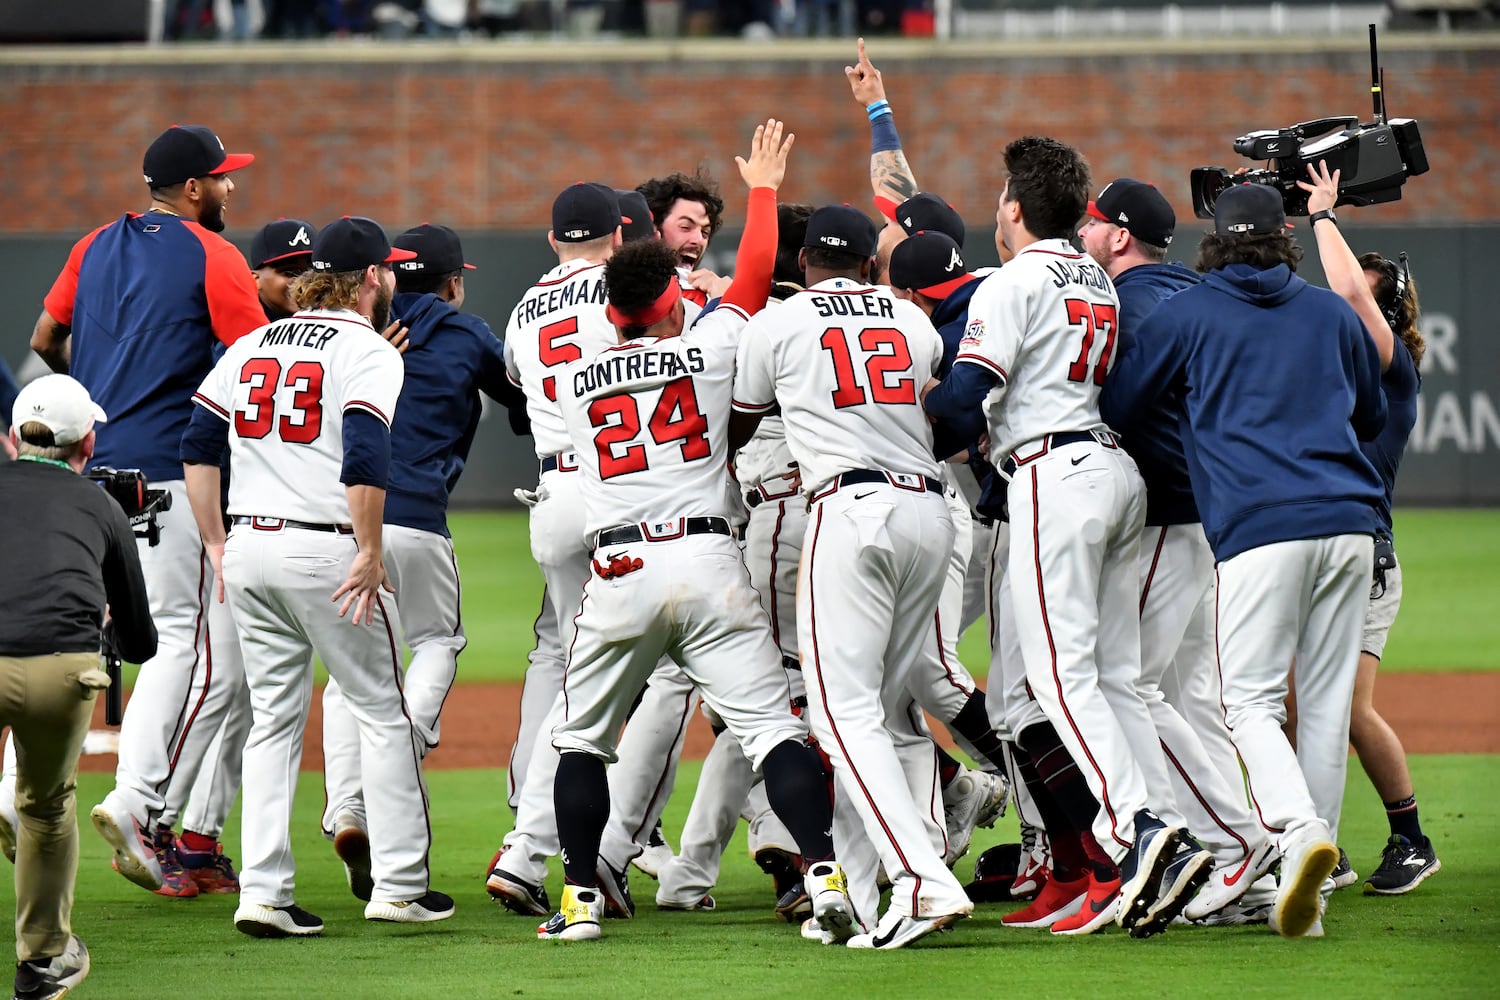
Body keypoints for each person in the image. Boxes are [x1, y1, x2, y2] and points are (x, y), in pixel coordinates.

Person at [546, 119, 856, 946]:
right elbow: (752, 274)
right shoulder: (714, 343)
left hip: (620, 568)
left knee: (580, 739)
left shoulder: (577, 373)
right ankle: (824, 876)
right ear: (675, 298)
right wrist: (761, 189)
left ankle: (578, 901)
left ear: (613, 312)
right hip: (711, 556)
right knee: (772, 730)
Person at [924, 136, 1214, 940]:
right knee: (1113, 676)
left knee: (1059, 678)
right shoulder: (1095, 275)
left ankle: (1142, 833)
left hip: (1057, 469)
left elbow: (963, 398)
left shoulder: (1013, 280)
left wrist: (907, 398)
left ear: (1014, 210)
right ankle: (1162, 833)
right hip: (1113, 470)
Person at [1102, 181, 1386, 938]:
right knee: (1323, 708)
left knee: (1249, 702)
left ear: (1217, 238)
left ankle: (1297, 834)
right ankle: (1310, 892)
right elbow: (1374, 410)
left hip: (1261, 525)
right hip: (1352, 521)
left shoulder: (1188, 311)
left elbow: (1122, 405)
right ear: (1287, 233)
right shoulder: (1328, 311)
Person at [181, 216, 454, 937]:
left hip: (249, 547)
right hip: (325, 549)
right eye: (388, 270)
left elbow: (199, 441)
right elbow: (365, 452)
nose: (393, 279)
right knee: (381, 711)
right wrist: (369, 549)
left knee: (271, 723)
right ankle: (398, 884)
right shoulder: (368, 350)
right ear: (369, 279)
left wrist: (215, 539)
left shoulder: (251, 344)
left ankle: (263, 894)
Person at [30, 124, 265, 896]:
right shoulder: (214, 253)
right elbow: (257, 365)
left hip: (94, 472)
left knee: (80, 640)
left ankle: (14, 796)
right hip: (168, 472)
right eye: (223, 179)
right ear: (193, 188)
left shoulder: (92, 245)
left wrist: (104, 383)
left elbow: (44, 336)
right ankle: (136, 802)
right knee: (179, 646)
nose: (231, 188)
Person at [730, 204, 972, 950]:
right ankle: (873, 895)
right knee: (892, 712)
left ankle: (923, 879)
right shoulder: (912, 319)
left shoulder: (776, 322)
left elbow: (739, 424)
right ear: (873, 262)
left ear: (803, 261)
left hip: (850, 508)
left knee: (838, 716)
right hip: (930, 510)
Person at [1083, 179, 1277, 926]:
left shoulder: (1130, 306)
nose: (1087, 235)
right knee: (1184, 694)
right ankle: (1247, 880)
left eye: (1096, 225)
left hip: (1166, 515)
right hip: (1211, 520)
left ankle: (1236, 841)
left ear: (1120, 238)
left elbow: (1117, 408)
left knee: (1124, 682)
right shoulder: (1193, 292)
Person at [320, 221, 528, 897]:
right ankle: (400, 761)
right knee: (438, 640)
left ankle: (346, 804)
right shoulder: (466, 333)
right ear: (454, 282)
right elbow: (524, 404)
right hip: (416, 521)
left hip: (343, 524)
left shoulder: (351, 332)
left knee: (350, 672)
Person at [1295, 160, 1438, 896]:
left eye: (1363, 299)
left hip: (1368, 556)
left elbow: (1348, 291)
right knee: (1286, 707)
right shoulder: (1334, 360)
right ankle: (1318, 841)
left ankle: (1411, 838)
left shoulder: (1392, 373)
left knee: (1349, 710)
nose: (1345, 301)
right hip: (1322, 549)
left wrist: (1323, 216)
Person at [1, 375, 156, 1000]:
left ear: (14, 437)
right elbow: (141, 641)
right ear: (86, 443)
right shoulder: (103, 506)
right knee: (43, 807)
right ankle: (41, 963)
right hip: (60, 667)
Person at [635, 169, 725, 306]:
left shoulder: (713, 297)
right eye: (685, 227)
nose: (698, 240)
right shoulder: (616, 293)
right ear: (653, 230)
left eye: (705, 232)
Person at [249, 218, 317, 321]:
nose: (304, 282)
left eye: (312, 271)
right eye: (289, 273)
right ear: (256, 279)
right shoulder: (242, 327)